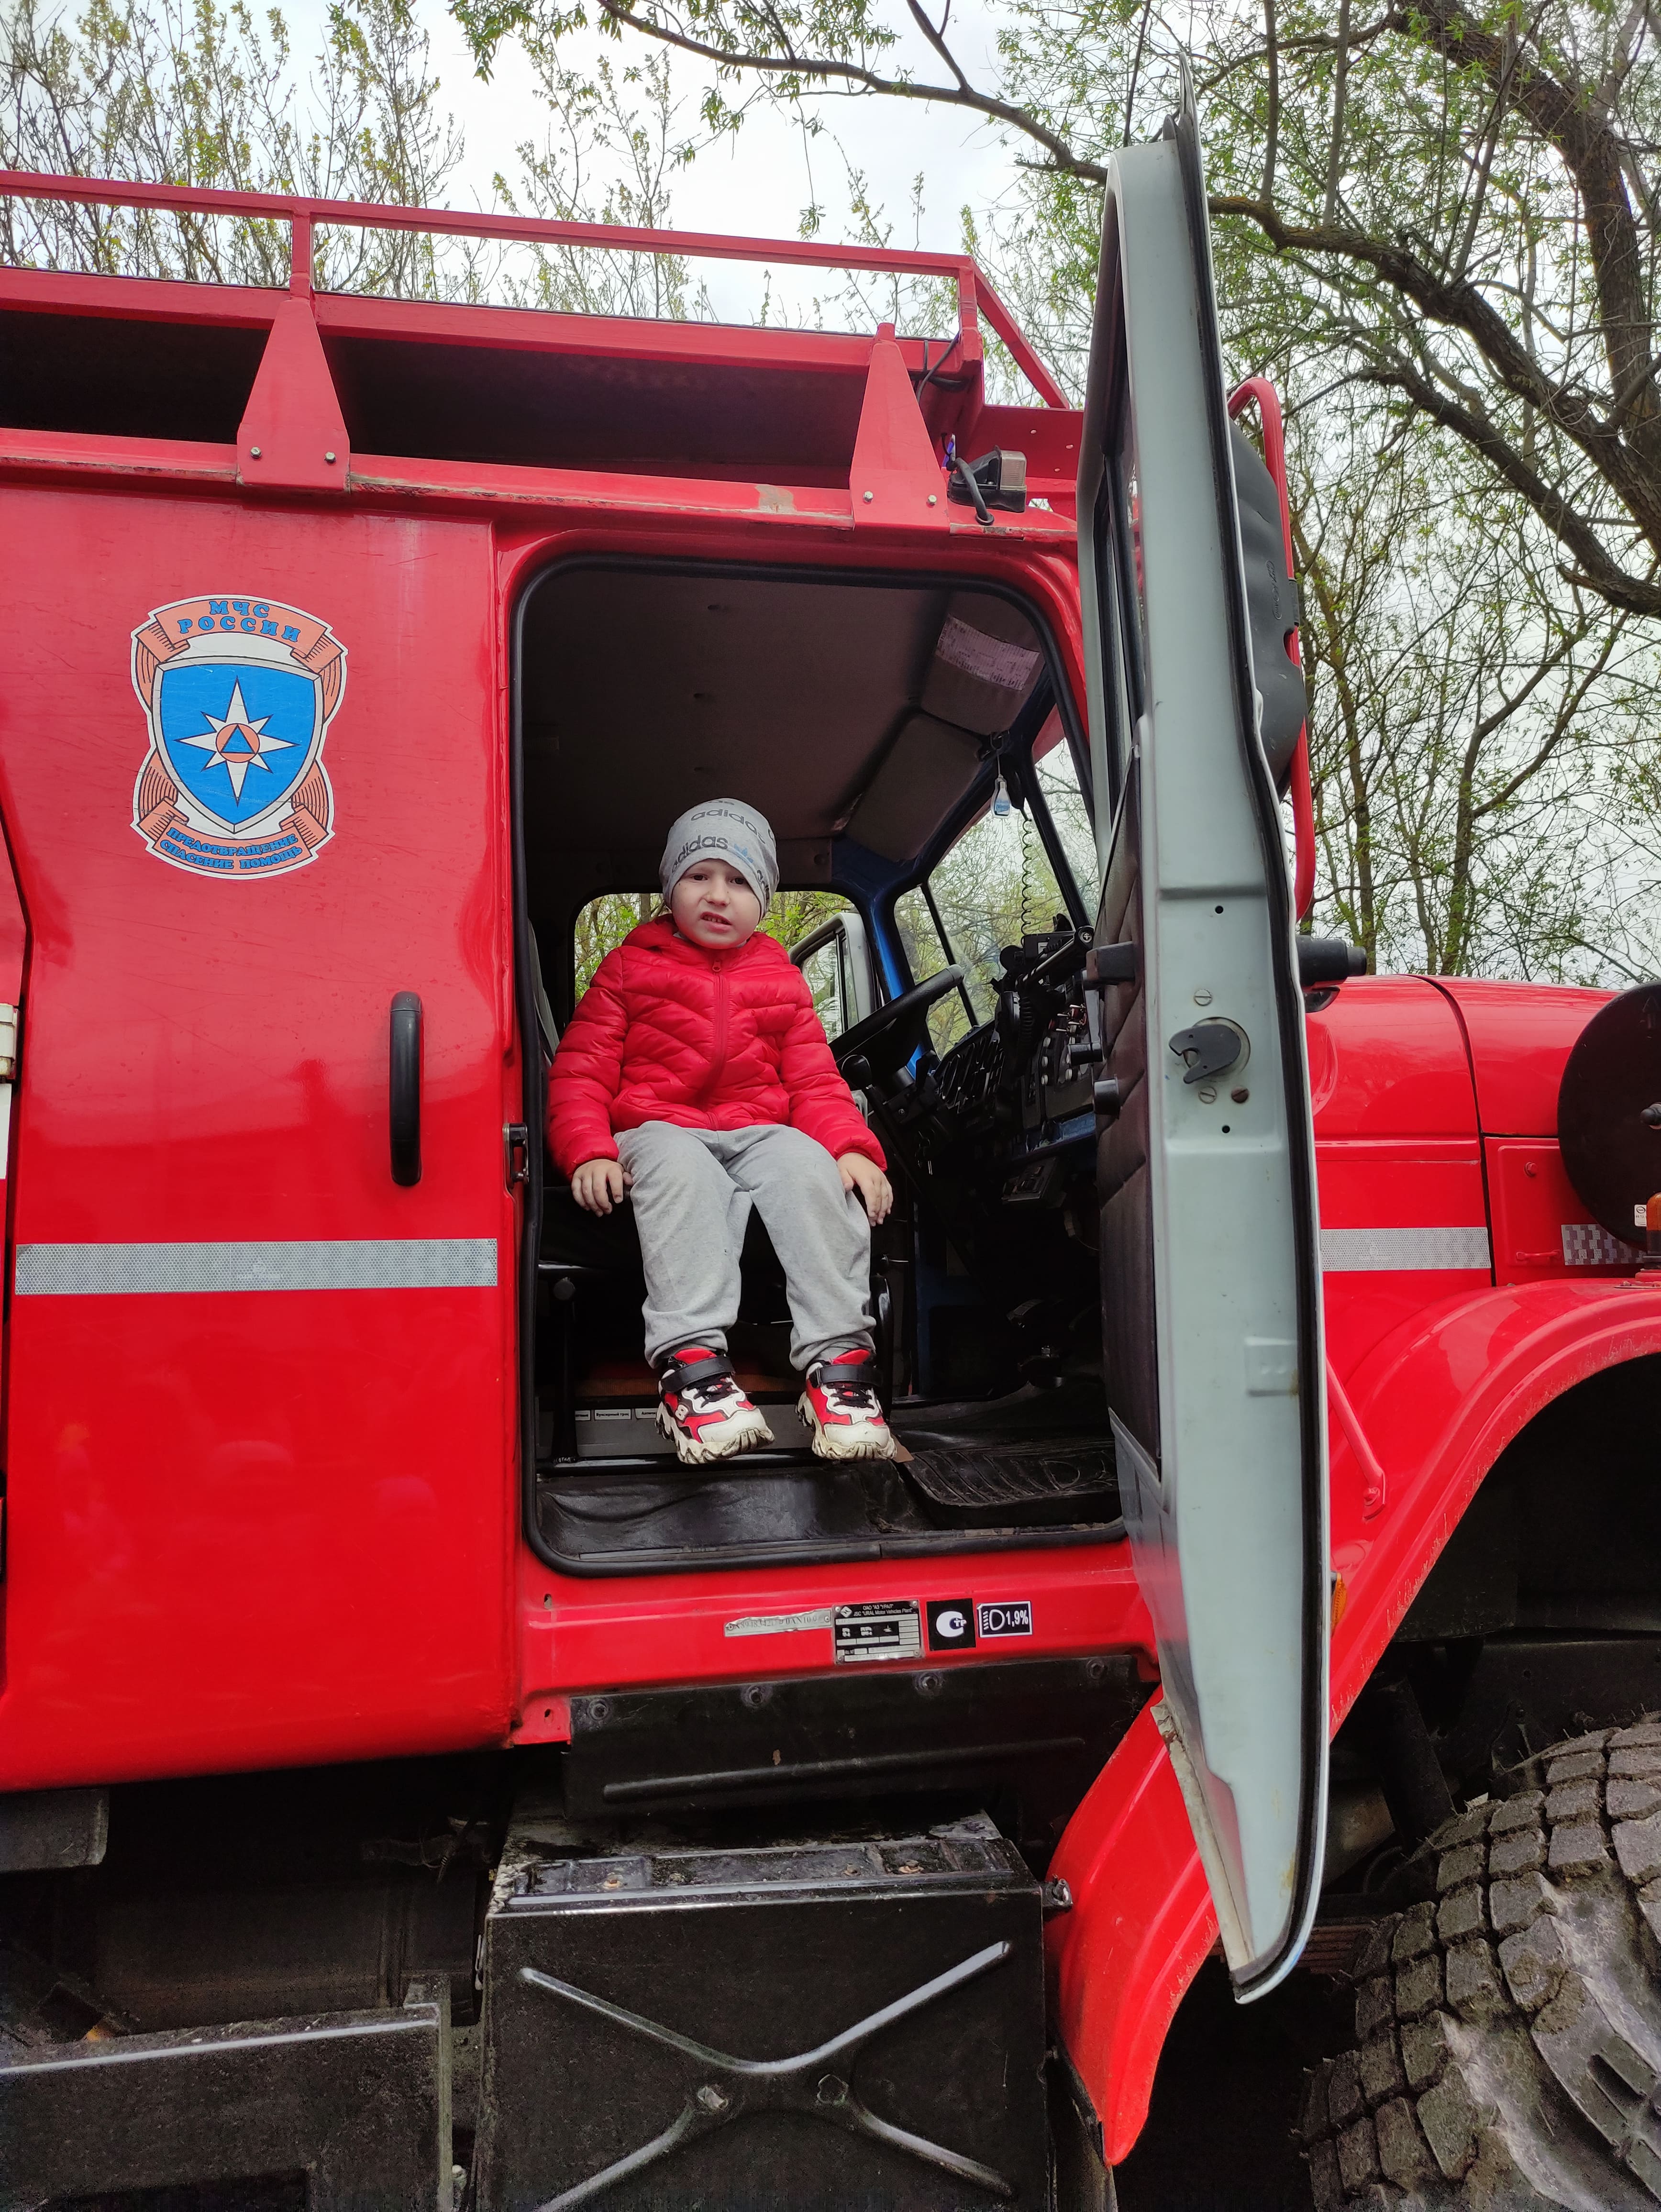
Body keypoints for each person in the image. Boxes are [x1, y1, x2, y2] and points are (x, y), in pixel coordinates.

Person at [547, 798, 897, 1467]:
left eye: (739, 881)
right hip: (656, 1127)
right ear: (669, 888)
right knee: (684, 1166)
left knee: (808, 1166)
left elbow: (815, 1083)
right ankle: (693, 1373)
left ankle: (839, 1366)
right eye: (698, 876)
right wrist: (589, 1150)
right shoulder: (627, 969)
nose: (717, 895)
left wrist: (852, 1150)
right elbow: (580, 1076)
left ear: (762, 901)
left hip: (756, 1128)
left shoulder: (782, 981)